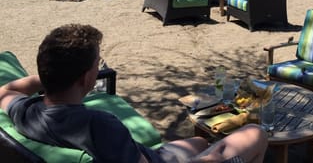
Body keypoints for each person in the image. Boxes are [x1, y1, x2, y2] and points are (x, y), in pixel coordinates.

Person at [0, 24, 268, 163]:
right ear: (86, 78)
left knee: (198, 142)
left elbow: (6, 90)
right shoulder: (99, 125)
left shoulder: (26, 111)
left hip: (143, 154)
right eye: (97, 65)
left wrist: (51, 75)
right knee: (256, 134)